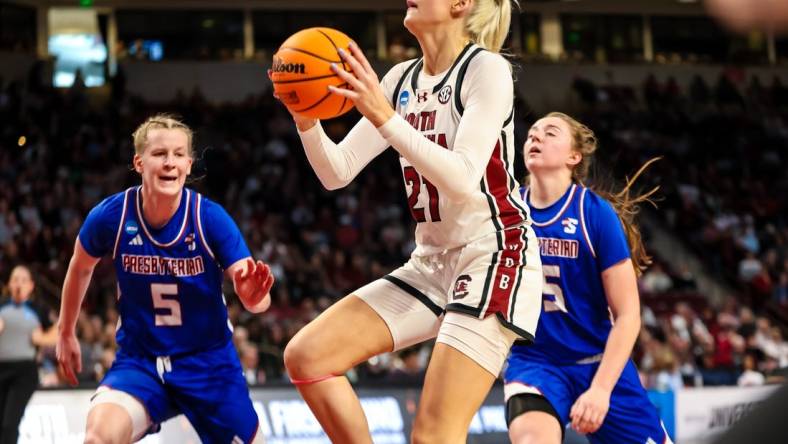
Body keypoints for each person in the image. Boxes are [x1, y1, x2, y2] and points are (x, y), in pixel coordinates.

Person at [275, 1, 543, 442]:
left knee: (433, 435)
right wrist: (306, 120)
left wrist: (384, 116)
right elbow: (336, 171)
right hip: (432, 262)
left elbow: (461, 178)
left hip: (494, 256)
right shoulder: (399, 79)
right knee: (308, 357)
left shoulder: (486, 70)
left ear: (461, 4)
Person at [56, 114, 274, 443]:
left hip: (208, 364)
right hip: (140, 362)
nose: (169, 163)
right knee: (98, 437)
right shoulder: (111, 216)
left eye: (177, 155)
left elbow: (258, 301)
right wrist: (65, 330)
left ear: (188, 164)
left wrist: (252, 296)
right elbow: (80, 267)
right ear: (139, 162)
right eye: (159, 154)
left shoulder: (209, 218)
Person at [503, 112, 671, 444]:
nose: (535, 137)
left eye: (550, 133)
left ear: (574, 156)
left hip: (600, 362)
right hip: (536, 363)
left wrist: (600, 391)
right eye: (532, 134)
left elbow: (628, 315)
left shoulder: (594, 214)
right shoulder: (506, 213)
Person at [0, 265, 57, 443]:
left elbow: (58, 331)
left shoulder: (38, 309)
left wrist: (43, 337)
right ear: (9, 283)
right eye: (15, 279)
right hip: (1, 369)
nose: (19, 284)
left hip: (24, 372)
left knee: (9, 424)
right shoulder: (2, 306)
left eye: (24, 280)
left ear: (31, 285)